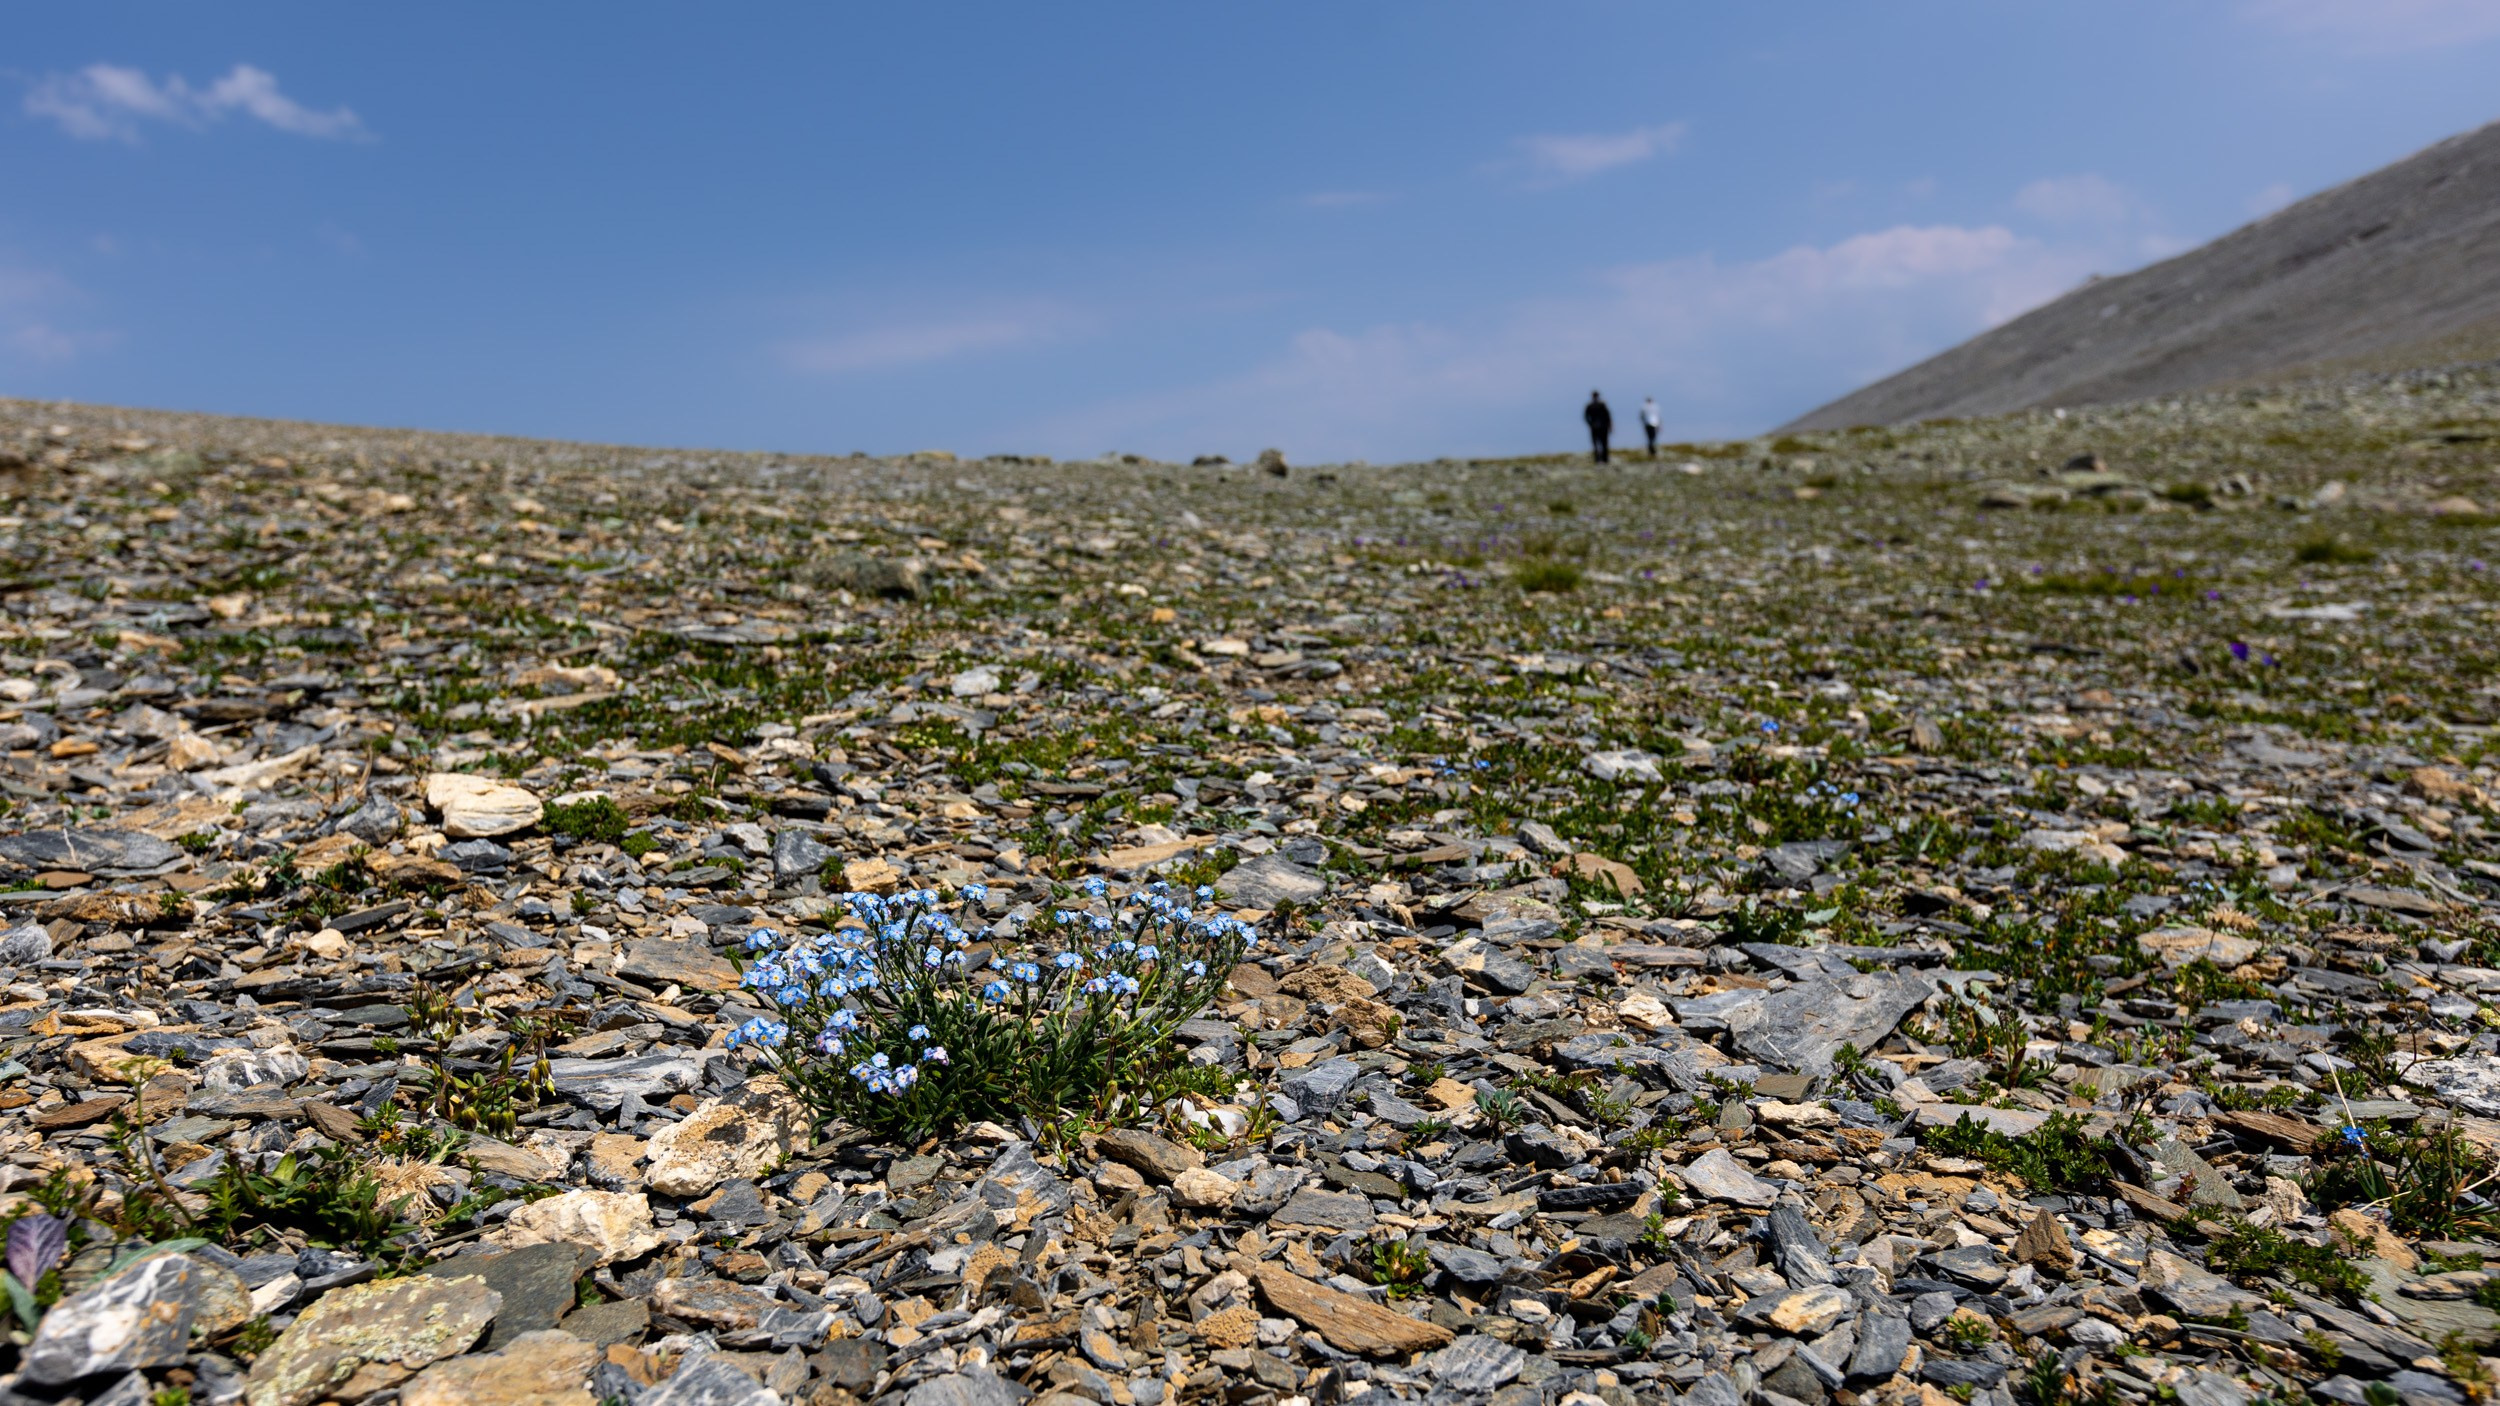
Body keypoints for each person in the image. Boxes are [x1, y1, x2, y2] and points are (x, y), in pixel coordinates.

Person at [1583, 391, 1612, 463]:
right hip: (1596, 427)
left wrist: (1609, 425)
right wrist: (1590, 424)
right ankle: (1598, 459)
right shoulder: (1591, 405)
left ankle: (1604, 459)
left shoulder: (1601, 404)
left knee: (1603, 443)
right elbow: (1586, 417)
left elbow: (1607, 416)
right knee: (1596, 444)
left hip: (1602, 427)